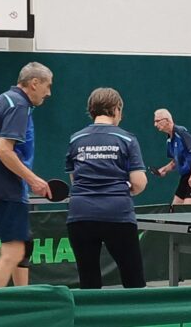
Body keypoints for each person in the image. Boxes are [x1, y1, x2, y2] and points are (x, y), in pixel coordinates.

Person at [66, 87, 148, 288]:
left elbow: (75, 180)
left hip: (81, 214)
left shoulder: (75, 139)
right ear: (116, 109)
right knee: (133, 279)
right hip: (117, 213)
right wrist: (122, 190)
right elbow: (139, 182)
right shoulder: (127, 139)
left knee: (88, 280)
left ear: (91, 110)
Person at [0, 62, 53, 288]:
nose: (49, 93)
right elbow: (3, 151)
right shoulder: (19, 106)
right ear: (34, 83)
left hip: (1, 186)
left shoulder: (5, 99)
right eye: (47, 86)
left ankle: (22, 298)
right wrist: (33, 179)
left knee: (22, 246)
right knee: (12, 252)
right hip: (8, 187)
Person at [152, 109, 191, 205]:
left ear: (167, 120)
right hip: (185, 176)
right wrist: (164, 170)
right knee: (175, 208)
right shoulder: (169, 139)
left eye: (157, 121)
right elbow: (175, 161)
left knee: (188, 208)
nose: (155, 124)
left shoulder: (180, 132)